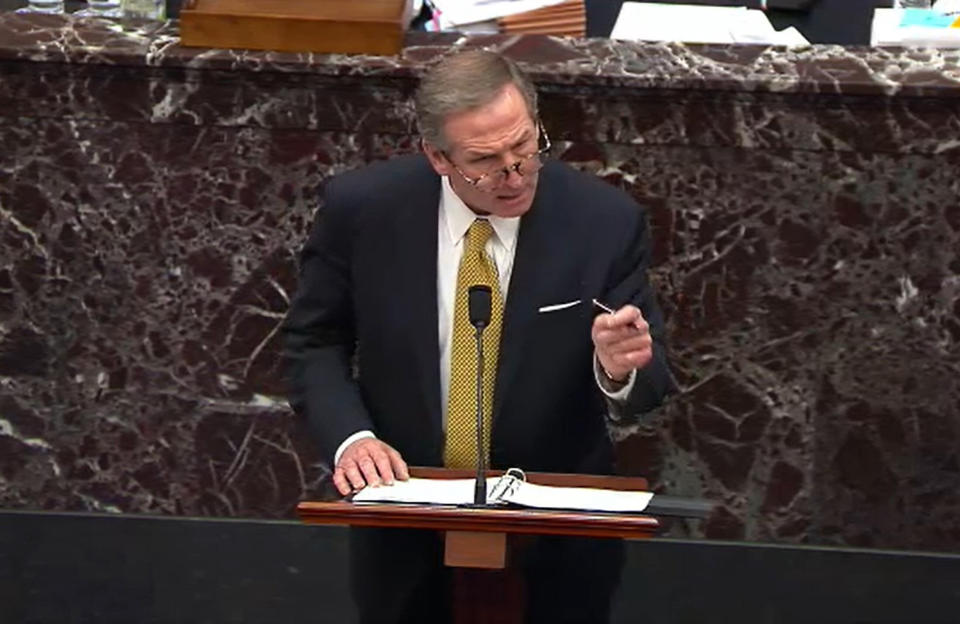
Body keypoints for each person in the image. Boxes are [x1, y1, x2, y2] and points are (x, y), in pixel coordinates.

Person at [282, 50, 672, 624]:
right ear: (437, 156)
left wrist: (619, 369)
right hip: (405, 514)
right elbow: (314, 341)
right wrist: (352, 439)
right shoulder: (363, 210)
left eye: (525, 148)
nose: (514, 176)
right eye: (485, 162)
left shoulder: (603, 220)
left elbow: (649, 380)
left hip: (555, 536)